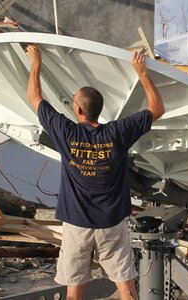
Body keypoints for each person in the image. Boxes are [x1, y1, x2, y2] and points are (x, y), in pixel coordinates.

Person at [26, 44, 164, 300]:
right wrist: (141, 72)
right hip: (111, 224)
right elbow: (157, 109)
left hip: (77, 224)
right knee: (126, 287)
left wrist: (36, 63)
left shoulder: (66, 132)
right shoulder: (117, 133)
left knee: (74, 292)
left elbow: (35, 98)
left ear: (77, 110)